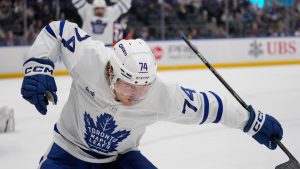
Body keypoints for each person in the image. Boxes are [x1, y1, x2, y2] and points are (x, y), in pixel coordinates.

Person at [21, 20, 283, 169]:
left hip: (118, 161)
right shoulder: (91, 59)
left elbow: (210, 106)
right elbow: (58, 30)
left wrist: (252, 121)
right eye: (129, 85)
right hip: (67, 154)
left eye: (144, 86)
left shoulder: (160, 93)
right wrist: (38, 68)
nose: (136, 94)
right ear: (111, 71)